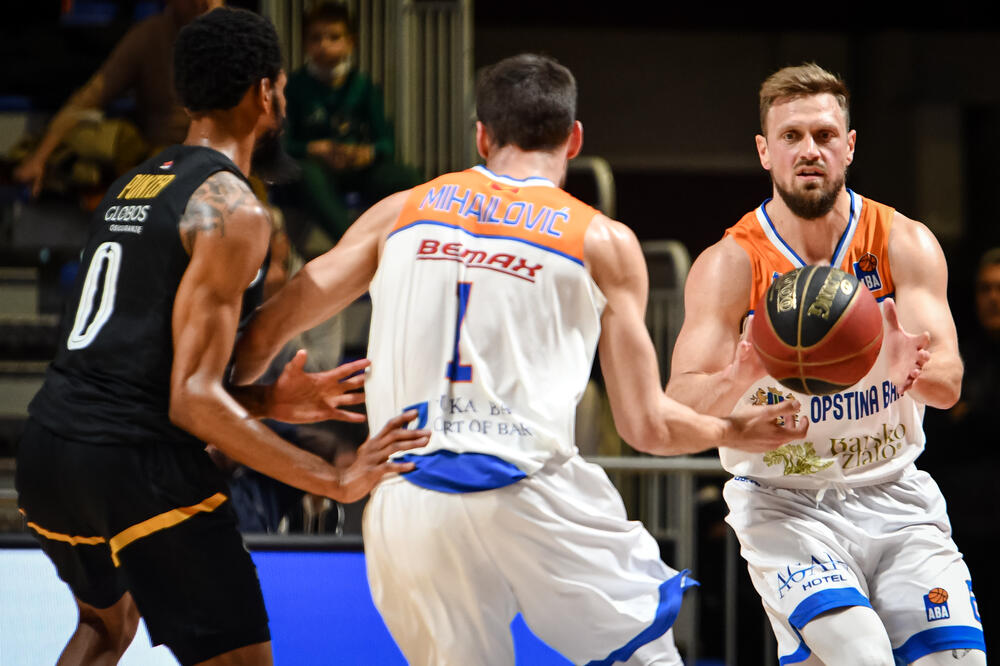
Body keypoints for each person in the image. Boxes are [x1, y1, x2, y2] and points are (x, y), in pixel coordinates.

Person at [233, 53, 807, 665]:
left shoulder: (398, 212)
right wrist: (731, 427)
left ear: (481, 135)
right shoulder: (602, 240)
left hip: (408, 496)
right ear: (574, 137)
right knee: (648, 657)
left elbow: (260, 336)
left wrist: (247, 399)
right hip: (530, 489)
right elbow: (646, 427)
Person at [15, 8, 427, 666]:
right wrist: (334, 478)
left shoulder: (137, 183)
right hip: (134, 466)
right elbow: (190, 400)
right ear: (265, 93)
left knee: (106, 625)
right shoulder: (233, 208)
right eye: (283, 91)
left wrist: (267, 402)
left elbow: (137, 367)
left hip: (48, 455)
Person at [665, 63, 986, 665]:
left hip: (895, 496)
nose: (808, 150)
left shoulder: (901, 241)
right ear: (764, 151)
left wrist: (902, 370)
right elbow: (679, 404)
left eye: (823, 135)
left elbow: (948, 386)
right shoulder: (730, 263)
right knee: (861, 655)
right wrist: (745, 372)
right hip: (784, 503)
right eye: (790, 137)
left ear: (850, 146)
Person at [13, 0, 223, 198]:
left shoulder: (235, 36)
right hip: (161, 163)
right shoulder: (149, 35)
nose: (201, 3)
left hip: (222, 163)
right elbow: (86, 101)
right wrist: (39, 158)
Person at [283, 1, 420, 246]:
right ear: (305, 44)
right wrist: (314, 149)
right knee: (305, 173)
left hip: (355, 169)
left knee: (406, 177)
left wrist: (366, 153)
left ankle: (414, 246)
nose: (324, 45)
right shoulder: (294, 86)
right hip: (316, 173)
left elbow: (387, 144)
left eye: (334, 37)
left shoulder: (363, 86)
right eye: (316, 38)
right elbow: (284, 146)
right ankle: (352, 244)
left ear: (351, 42)